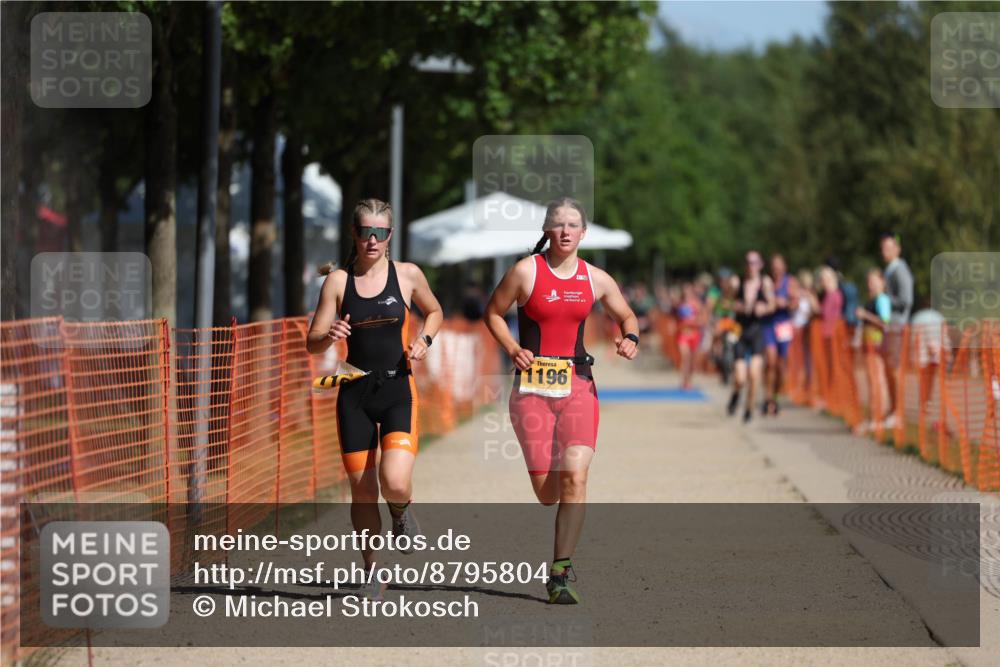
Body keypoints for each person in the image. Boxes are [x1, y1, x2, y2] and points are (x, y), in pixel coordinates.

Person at [483, 197, 638, 605]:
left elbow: (628, 316)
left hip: (579, 387)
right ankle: (560, 560)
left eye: (574, 225)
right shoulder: (525, 272)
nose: (567, 231)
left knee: (575, 475)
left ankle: (560, 570)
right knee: (547, 493)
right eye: (559, 224)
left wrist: (631, 338)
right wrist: (513, 348)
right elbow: (493, 313)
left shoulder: (596, 278)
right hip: (531, 393)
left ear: (583, 233)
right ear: (547, 231)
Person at [306, 198, 443, 599]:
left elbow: (434, 312)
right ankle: (373, 570)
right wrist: (328, 336)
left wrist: (424, 340)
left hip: (398, 389)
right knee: (363, 490)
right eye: (365, 231)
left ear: (390, 236)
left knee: (395, 481)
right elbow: (311, 343)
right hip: (354, 392)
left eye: (380, 233)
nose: (372, 240)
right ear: (354, 233)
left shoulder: (408, 275)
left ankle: (401, 512)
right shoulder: (336, 281)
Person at [727, 251, 775, 423]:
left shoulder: (766, 283)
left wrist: (765, 308)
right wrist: (736, 306)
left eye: (754, 262)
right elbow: (725, 302)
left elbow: (772, 304)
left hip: (756, 331)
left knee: (754, 374)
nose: (751, 266)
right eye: (748, 262)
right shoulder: (736, 282)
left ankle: (749, 407)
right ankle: (736, 393)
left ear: (760, 264)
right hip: (740, 330)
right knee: (740, 377)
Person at [880, 231, 914, 428]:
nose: (885, 251)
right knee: (890, 369)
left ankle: (898, 413)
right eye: (883, 248)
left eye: (889, 248)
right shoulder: (890, 270)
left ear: (897, 249)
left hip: (898, 325)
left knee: (895, 370)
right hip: (890, 326)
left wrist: (884, 299)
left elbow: (906, 300)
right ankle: (893, 410)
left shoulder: (900, 270)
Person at [854, 268, 892, 433]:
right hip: (869, 344)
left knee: (877, 381)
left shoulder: (882, 300)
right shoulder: (872, 299)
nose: (870, 284)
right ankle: (873, 417)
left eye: (873, 281)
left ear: (882, 282)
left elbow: (885, 323)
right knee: (871, 380)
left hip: (876, 345)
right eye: (869, 281)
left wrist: (865, 315)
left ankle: (878, 417)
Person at [762, 254, 794, 415]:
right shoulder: (766, 282)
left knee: (781, 366)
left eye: (779, 265)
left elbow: (795, 303)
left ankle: (775, 397)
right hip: (768, 325)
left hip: (784, 325)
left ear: (784, 267)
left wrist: (786, 303)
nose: (776, 269)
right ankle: (767, 398)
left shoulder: (790, 282)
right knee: (770, 361)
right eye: (774, 266)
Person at [676, 282, 704, 389]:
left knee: (692, 360)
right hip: (683, 334)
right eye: (684, 291)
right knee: (684, 357)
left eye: (688, 291)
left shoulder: (696, 304)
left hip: (694, 334)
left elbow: (703, 318)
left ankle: (689, 380)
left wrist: (694, 321)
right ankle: (684, 380)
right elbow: (676, 318)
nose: (686, 293)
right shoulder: (679, 304)